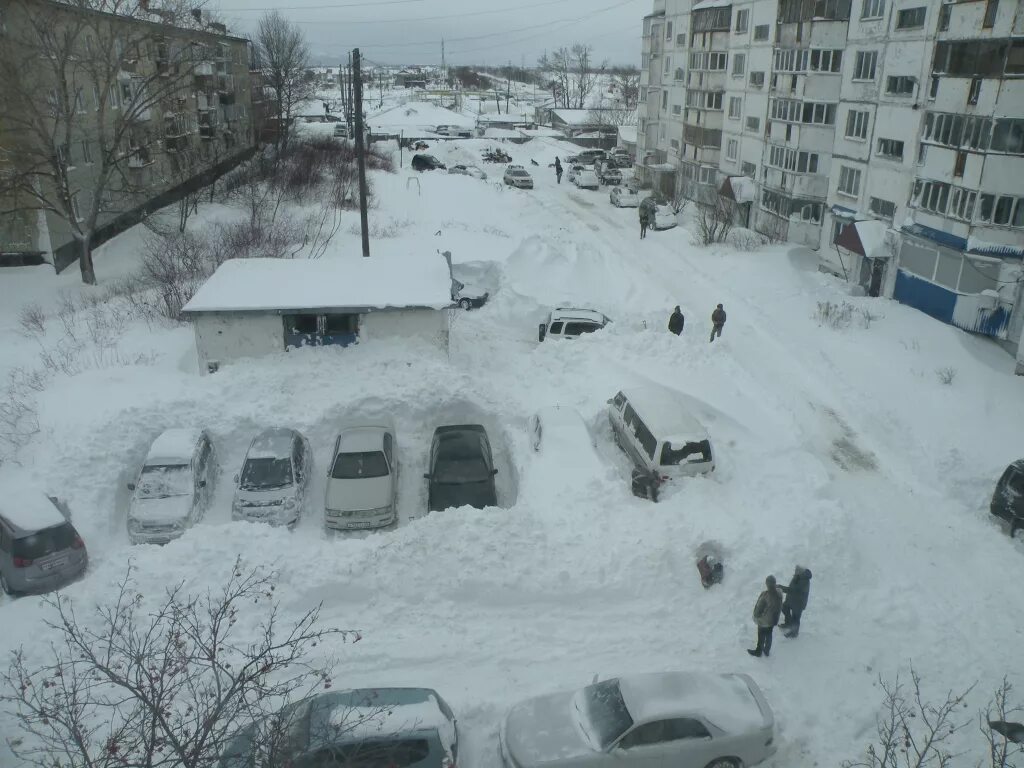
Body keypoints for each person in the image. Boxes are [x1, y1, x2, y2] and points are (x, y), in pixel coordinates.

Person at [748, 575, 782, 658]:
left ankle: (758, 651)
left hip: (764, 621)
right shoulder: (779, 594)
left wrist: (756, 616)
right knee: (769, 634)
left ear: (767, 584)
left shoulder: (765, 595)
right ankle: (767, 650)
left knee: (761, 636)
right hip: (773, 620)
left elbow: (758, 610)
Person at [779, 565, 812, 638]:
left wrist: (782, 588)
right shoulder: (797, 576)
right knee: (784, 608)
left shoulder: (804, 580)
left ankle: (794, 633)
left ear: (800, 571)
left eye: (796, 570)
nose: (795, 571)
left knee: (796, 618)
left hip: (798, 603)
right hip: (791, 600)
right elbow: (792, 587)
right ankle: (788, 624)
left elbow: (794, 591)